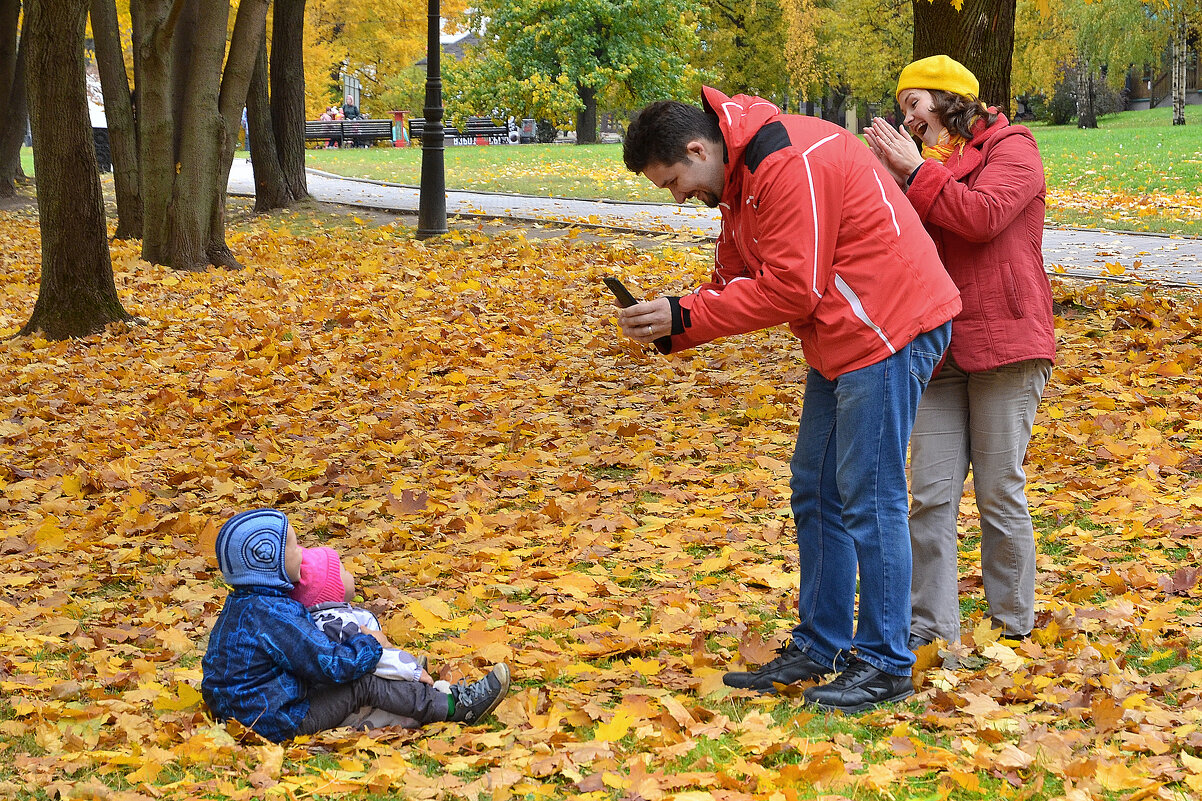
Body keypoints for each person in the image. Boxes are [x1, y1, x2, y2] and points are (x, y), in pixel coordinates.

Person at [618, 88, 961, 712]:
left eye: (673, 181)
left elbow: (791, 290)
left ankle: (885, 662)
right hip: (842, 334)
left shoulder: (785, 160)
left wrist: (684, 315)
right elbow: (737, 276)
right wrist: (673, 321)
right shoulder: (742, 173)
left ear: (698, 148)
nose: (676, 197)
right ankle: (823, 643)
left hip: (888, 325)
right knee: (816, 487)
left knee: (869, 494)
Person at [862, 56, 1055, 648]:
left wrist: (915, 170)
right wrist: (888, 179)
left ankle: (1012, 629)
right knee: (929, 496)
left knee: (999, 491)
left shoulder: (1013, 149)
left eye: (915, 104)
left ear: (949, 100)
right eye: (903, 109)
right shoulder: (918, 166)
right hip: (937, 349)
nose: (909, 118)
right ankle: (930, 631)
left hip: (1005, 343)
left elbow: (983, 217)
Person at [201, 509, 511, 742]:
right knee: (362, 682)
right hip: (275, 720)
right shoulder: (274, 615)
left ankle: (407, 691)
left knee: (351, 676)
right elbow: (333, 665)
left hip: (240, 713)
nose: (303, 553)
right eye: (294, 546)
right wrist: (371, 642)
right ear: (268, 559)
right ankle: (455, 706)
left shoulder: (243, 604)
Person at [290, 545, 443, 689]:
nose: (350, 575)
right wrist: (413, 670)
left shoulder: (329, 617)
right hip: (361, 693)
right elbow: (375, 659)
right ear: (334, 589)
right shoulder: (338, 624)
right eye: (344, 571)